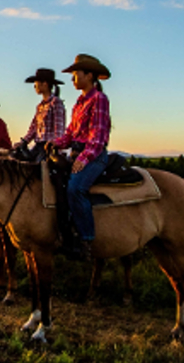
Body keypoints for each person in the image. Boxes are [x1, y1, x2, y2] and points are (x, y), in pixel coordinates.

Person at [46, 54, 112, 261]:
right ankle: (62, 231)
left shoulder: (99, 99)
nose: (73, 78)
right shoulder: (79, 102)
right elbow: (70, 134)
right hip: (77, 152)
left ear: (89, 75)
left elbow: (98, 137)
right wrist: (56, 142)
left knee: (76, 188)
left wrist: (84, 159)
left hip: (94, 155)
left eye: (76, 74)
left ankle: (86, 240)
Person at [15, 68, 66, 159]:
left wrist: (55, 145)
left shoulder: (56, 102)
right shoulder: (40, 106)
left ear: (45, 84)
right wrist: (24, 142)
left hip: (48, 146)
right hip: (38, 146)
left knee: (40, 167)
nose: (35, 86)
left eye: (36, 83)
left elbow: (59, 129)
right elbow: (33, 128)